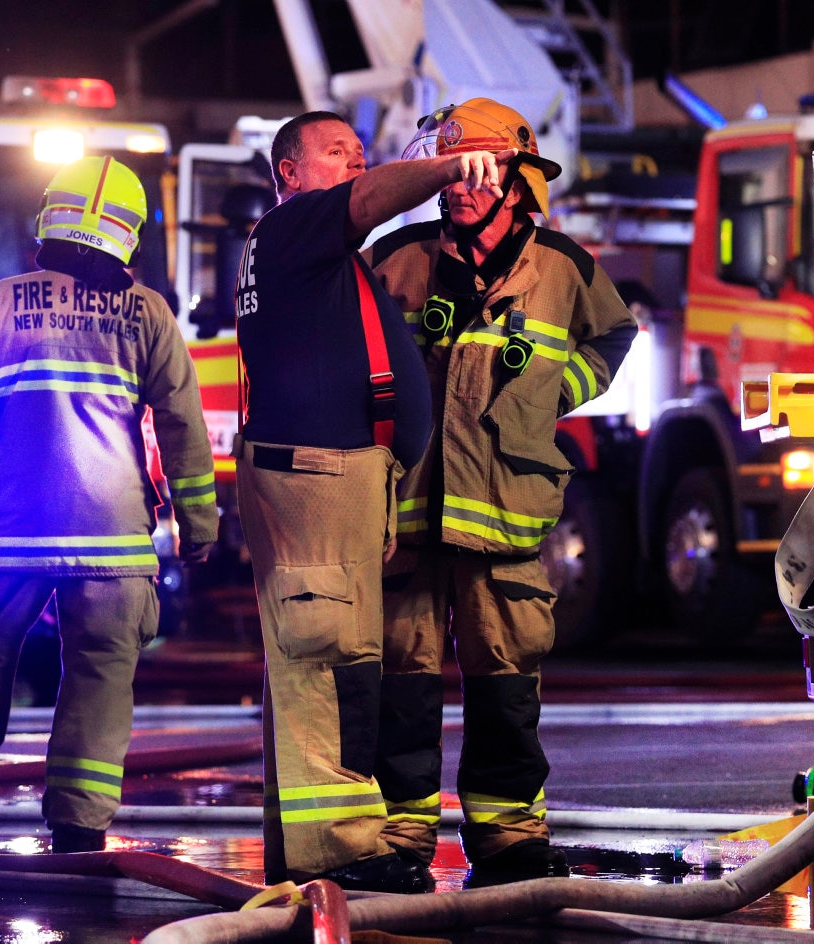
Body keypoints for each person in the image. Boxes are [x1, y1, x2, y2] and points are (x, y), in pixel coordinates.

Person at [0, 156, 219, 854]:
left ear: (49, 215)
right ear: (129, 232)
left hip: (10, 535)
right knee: (101, 676)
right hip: (113, 542)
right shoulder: (149, 312)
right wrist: (198, 526)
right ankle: (78, 825)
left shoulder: (4, 301)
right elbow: (183, 426)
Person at [234, 110, 514, 893]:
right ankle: (344, 848)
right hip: (319, 481)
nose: (356, 165)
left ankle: (313, 845)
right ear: (289, 172)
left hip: (338, 482)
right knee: (332, 662)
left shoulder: (319, 254)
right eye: (336, 153)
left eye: (362, 153)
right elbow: (372, 201)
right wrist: (452, 169)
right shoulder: (295, 230)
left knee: (319, 656)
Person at [361, 98, 638, 886]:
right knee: (401, 686)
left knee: (505, 685)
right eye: (448, 173)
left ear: (518, 178)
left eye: (475, 172)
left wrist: (555, 390)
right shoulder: (399, 257)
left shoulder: (562, 267)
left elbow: (614, 336)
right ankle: (400, 840)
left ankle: (508, 835)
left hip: (505, 514)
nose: (457, 188)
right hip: (406, 516)